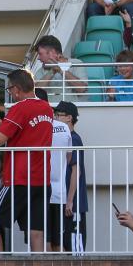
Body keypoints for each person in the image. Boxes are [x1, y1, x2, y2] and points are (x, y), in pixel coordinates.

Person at [0, 69, 53, 253]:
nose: (10, 94)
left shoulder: (19, 108)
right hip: (42, 178)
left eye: (10, 90)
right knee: (36, 230)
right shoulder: (46, 108)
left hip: (19, 177)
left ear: (17, 88)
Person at [53, 101, 86, 253]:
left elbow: (76, 170)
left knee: (74, 248)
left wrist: (70, 200)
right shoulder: (65, 138)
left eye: (58, 115)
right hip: (65, 200)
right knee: (62, 243)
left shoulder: (74, 139)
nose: (55, 118)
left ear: (69, 118)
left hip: (72, 203)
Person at [47, 107, 73, 252]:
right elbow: (68, 158)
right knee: (57, 240)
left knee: (42, 238)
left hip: (39, 190)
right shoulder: (63, 127)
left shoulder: (36, 126)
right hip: (59, 192)